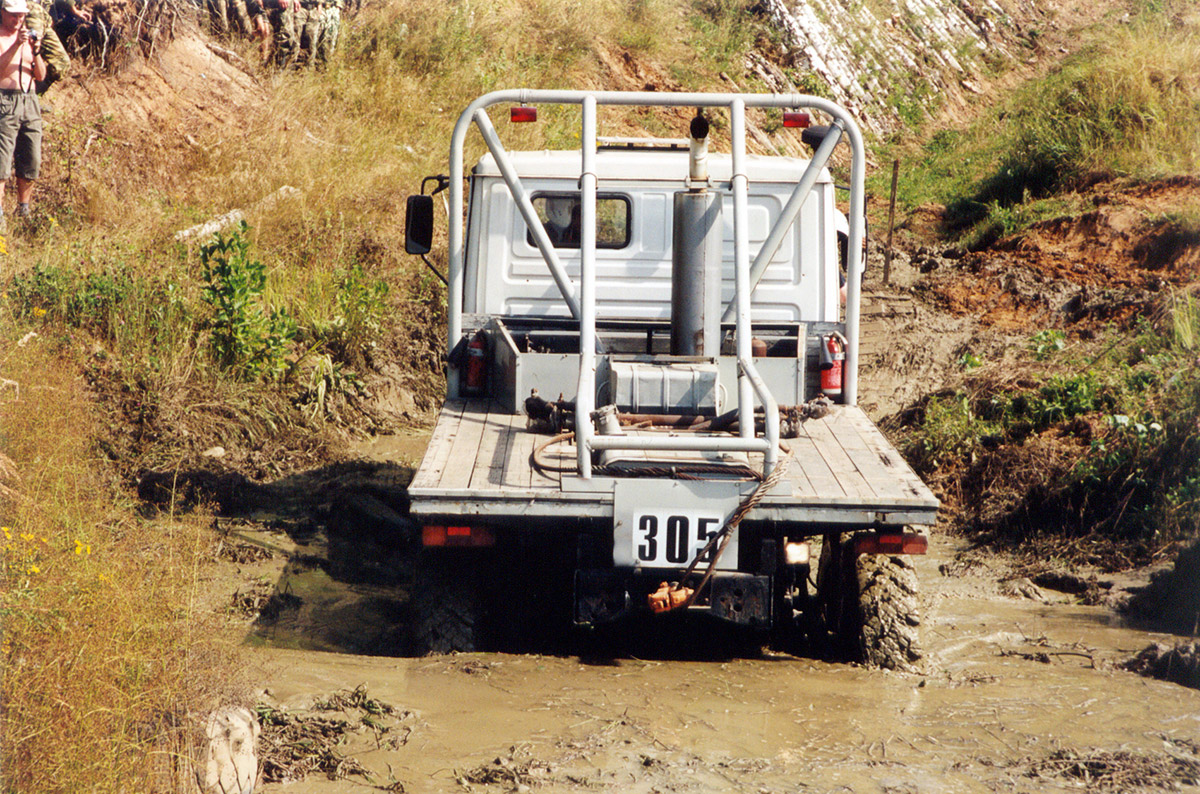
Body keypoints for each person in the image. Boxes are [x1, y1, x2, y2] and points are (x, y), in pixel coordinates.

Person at [0, 0, 45, 227]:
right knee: (2, 161)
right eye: (13, 15)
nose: (17, 20)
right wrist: (15, 46)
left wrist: (35, 51)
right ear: (3, 13)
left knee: (31, 158)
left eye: (20, 16)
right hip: (5, 100)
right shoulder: (2, 38)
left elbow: (42, 75)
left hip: (30, 101)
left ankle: (23, 210)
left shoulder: (29, 38)